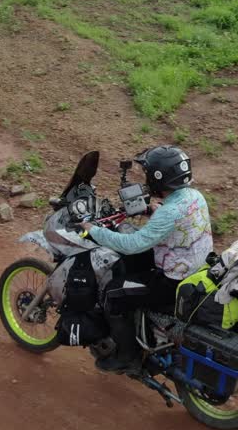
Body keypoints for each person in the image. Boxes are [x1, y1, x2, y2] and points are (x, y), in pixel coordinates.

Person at [81, 145, 213, 373]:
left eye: (148, 174)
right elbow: (177, 223)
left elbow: (132, 245)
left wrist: (93, 230)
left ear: (158, 178)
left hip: (171, 282)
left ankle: (127, 356)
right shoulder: (194, 196)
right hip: (197, 269)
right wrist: (153, 210)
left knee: (114, 293)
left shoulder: (168, 212)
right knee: (132, 268)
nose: (146, 178)